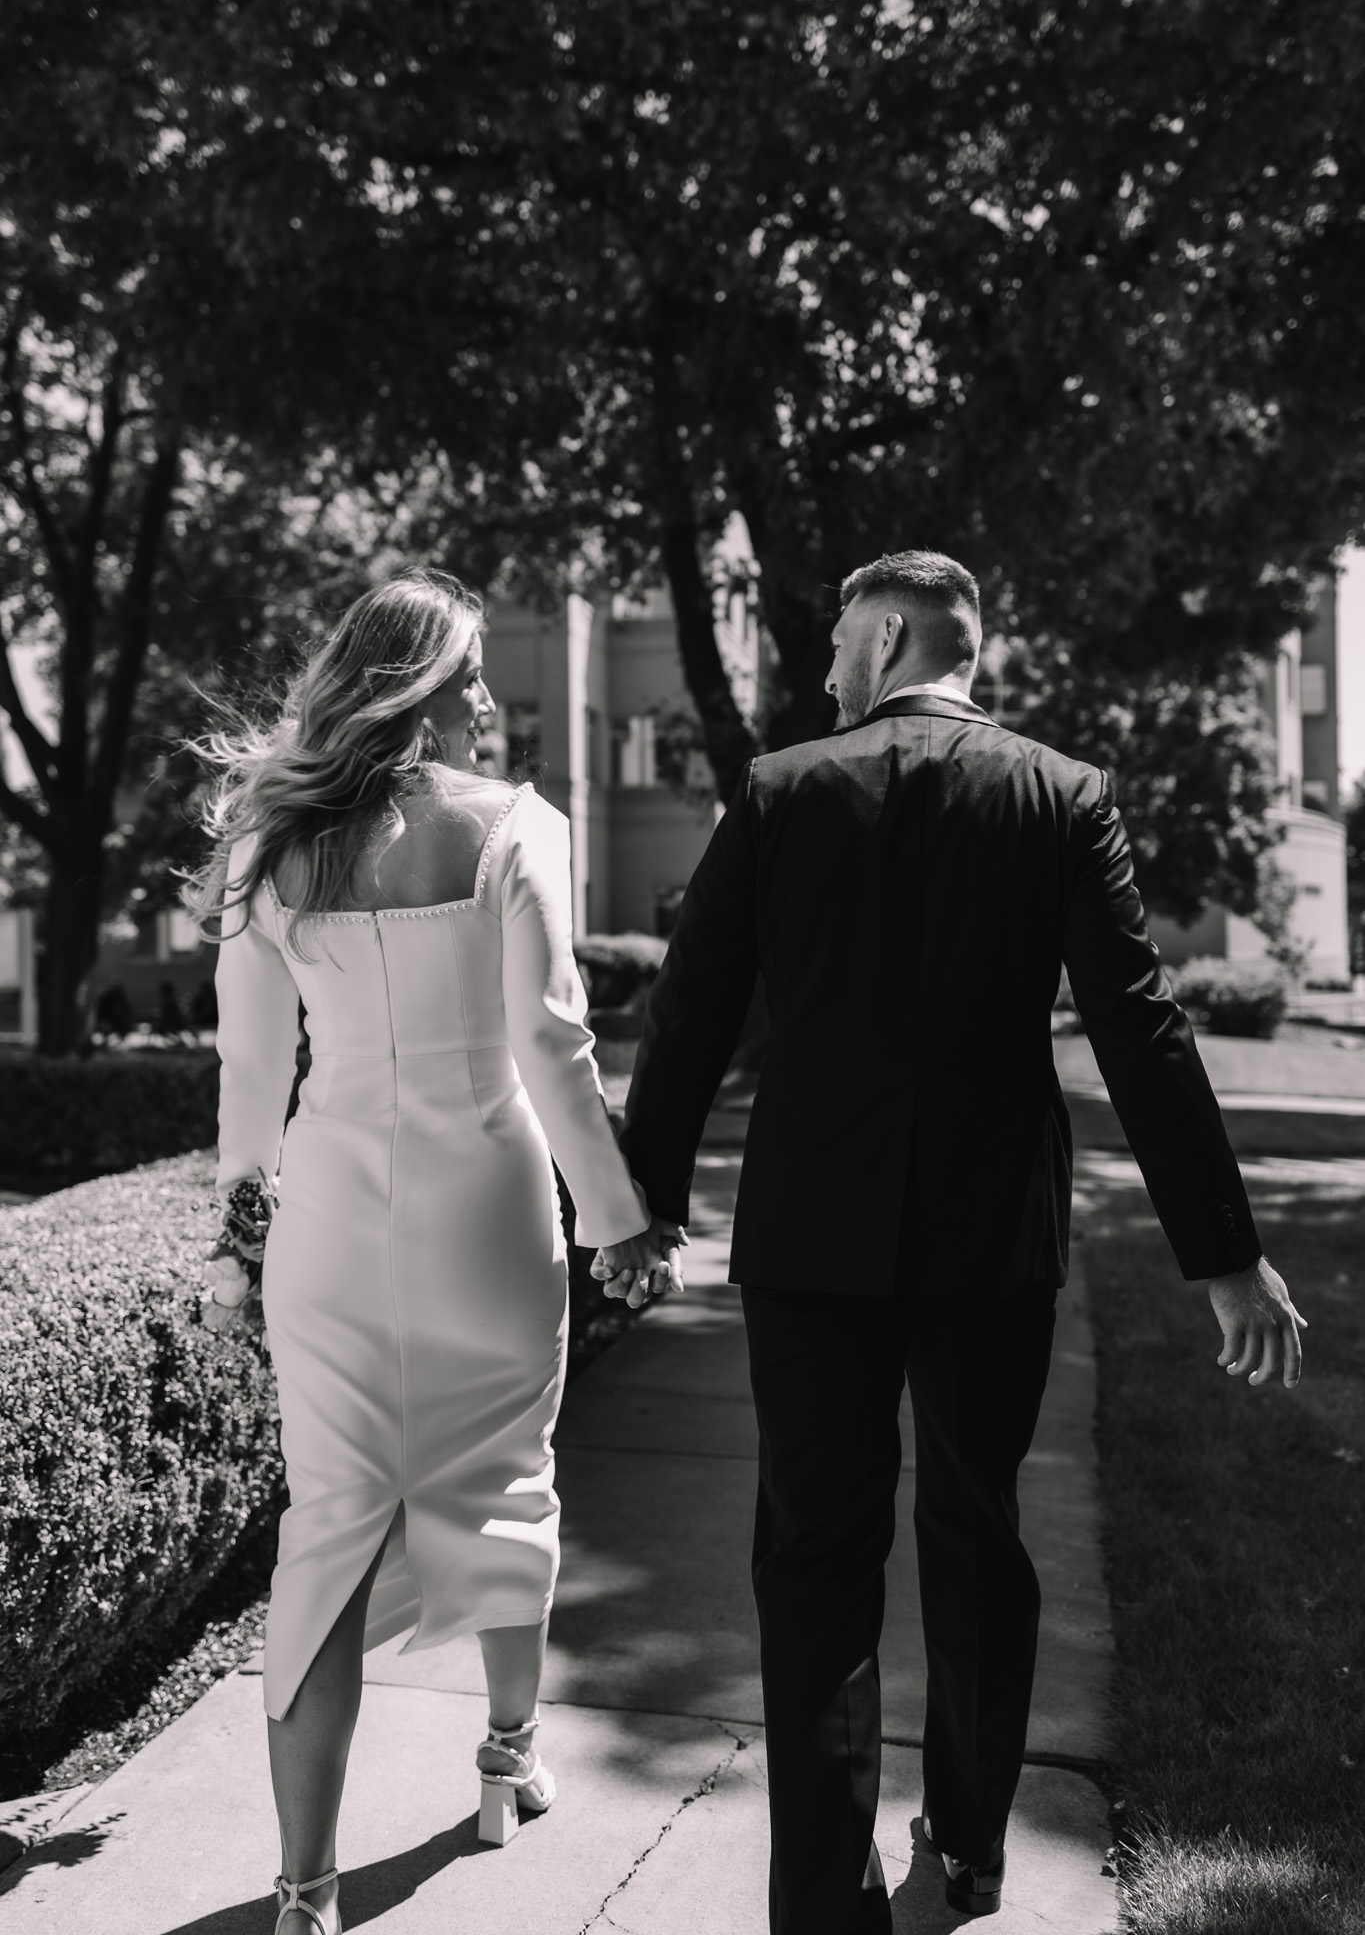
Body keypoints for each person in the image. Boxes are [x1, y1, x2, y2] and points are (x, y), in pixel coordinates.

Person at [596, 549, 1306, 1932]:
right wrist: (1221, 1251)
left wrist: (642, 1208)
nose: (822, 674)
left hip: (810, 1230)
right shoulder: (1058, 794)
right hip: (991, 1235)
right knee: (977, 1532)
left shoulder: (781, 790)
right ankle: (969, 1854)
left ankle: (816, 1889)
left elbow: (689, 1018)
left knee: (812, 1550)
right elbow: (1138, 1030)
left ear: (893, 630)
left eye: (836, 646)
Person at [186, 570, 668, 1935]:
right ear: (410, 684)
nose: (483, 699)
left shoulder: (267, 845)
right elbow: (550, 1047)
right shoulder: (515, 825)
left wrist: (237, 1254)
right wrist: (621, 1218)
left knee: (327, 1528)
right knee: (508, 1480)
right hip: (490, 1208)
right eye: (464, 676)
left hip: (333, 1225)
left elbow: (251, 1074)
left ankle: (302, 1890)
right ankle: (509, 1755)